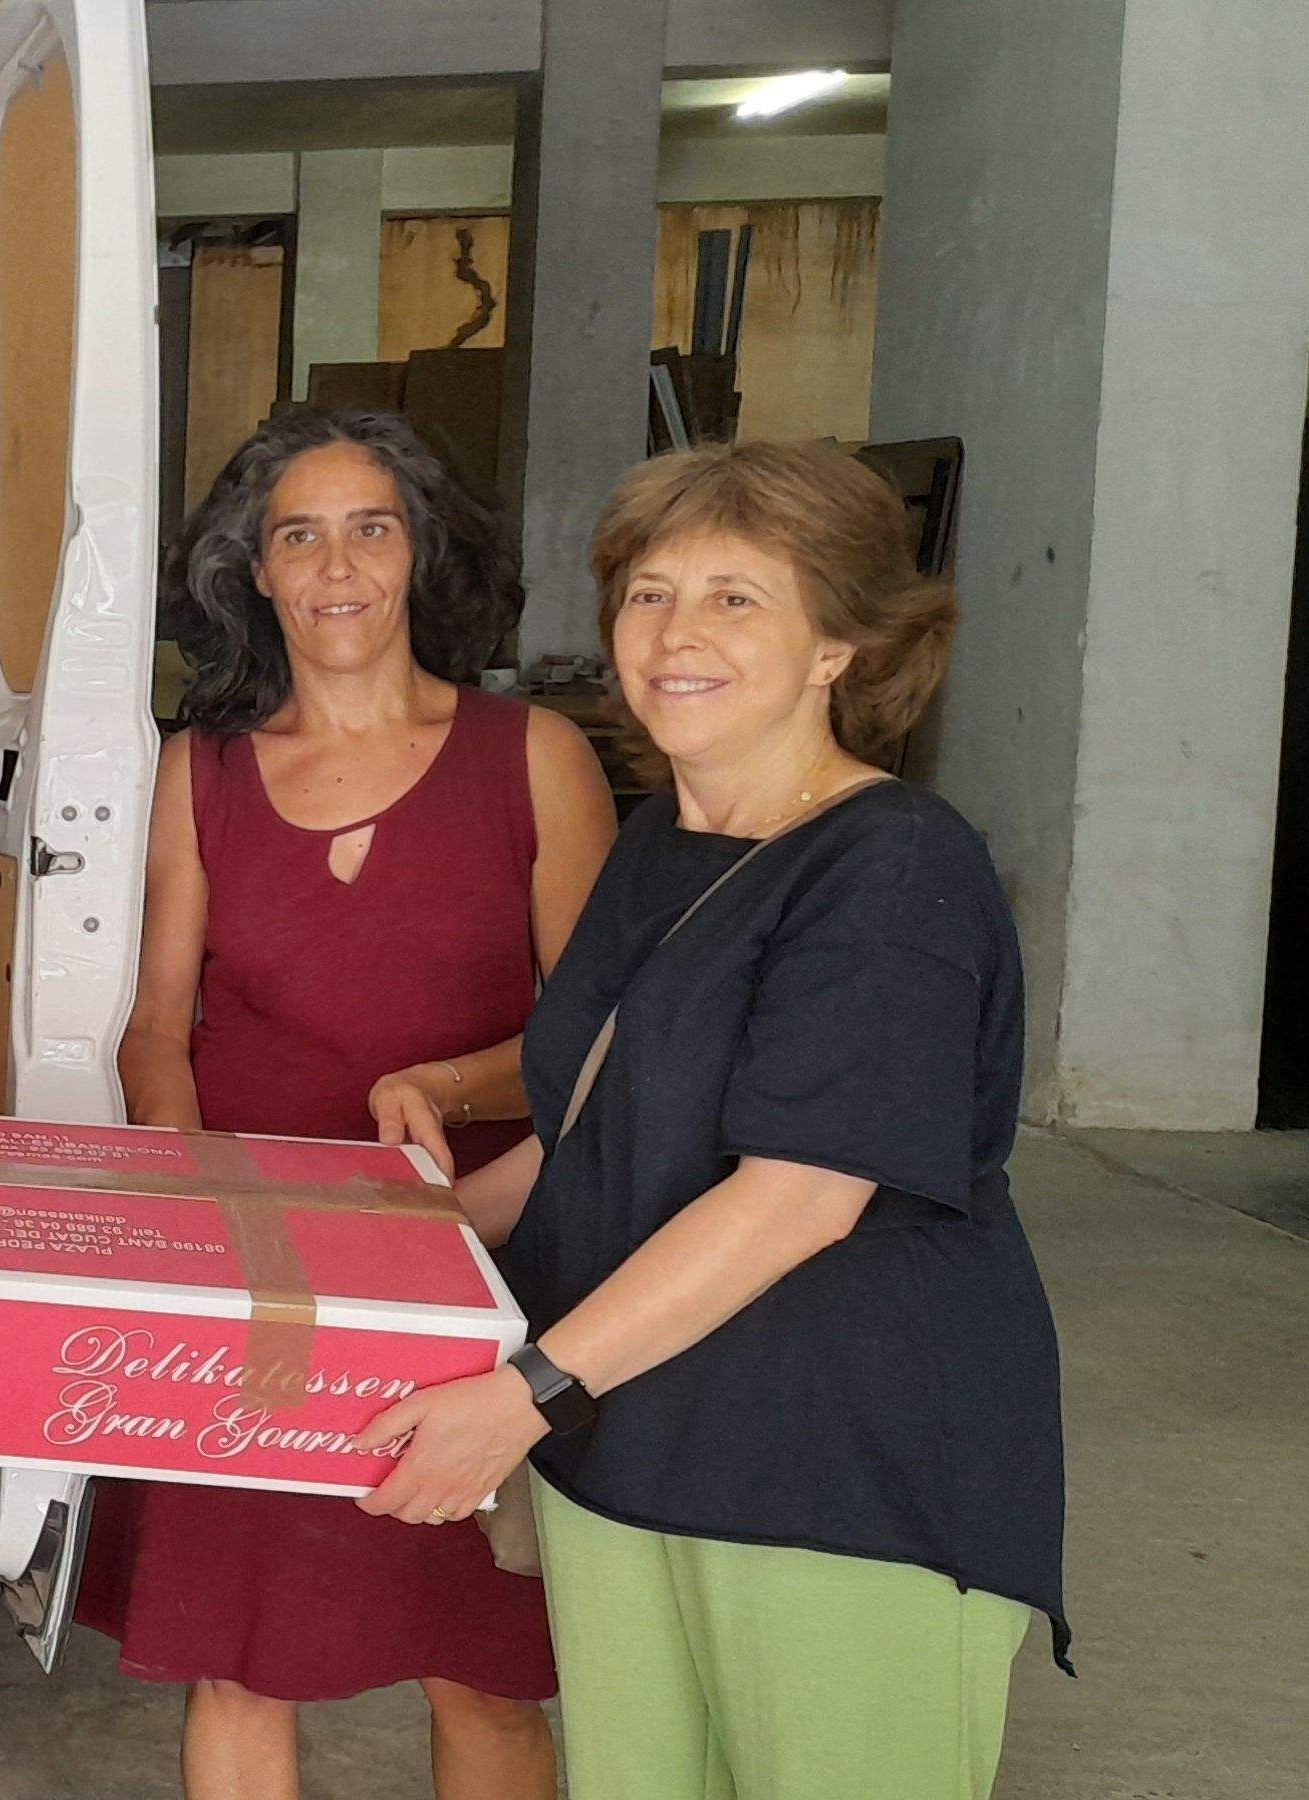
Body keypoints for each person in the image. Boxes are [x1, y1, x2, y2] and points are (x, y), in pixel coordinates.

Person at [359, 438, 1067, 1800]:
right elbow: (591, 1137)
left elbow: (798, 1196)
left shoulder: (895, 867)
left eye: (735, 598)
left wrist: (524, 1394)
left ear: (838, 645)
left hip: (832, 1465)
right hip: (630, 1438)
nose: (675, 634)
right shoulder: (659, 845)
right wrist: (367, 1234)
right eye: (649, 594)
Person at [78, 411, 616, 1800]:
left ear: (419, 551)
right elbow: (158, 1026)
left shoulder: (533, 756)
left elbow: (600, 1043)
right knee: (239, 1661)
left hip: (468, 1255)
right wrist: (202, 1201)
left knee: (482, 1668)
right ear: (252, 571)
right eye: (298, 536)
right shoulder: (201, 771)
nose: (335, 568)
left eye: (369, 529)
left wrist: (450, 1098)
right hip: (251, 1271)